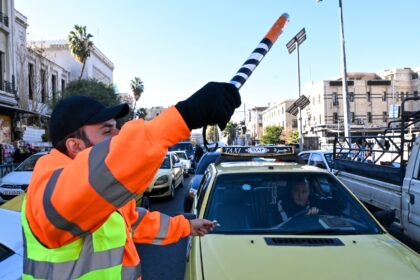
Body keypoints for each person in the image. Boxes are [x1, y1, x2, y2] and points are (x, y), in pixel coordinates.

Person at [22, 82, 241, 279]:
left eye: (117, 127)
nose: (118, 136)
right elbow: (108, 167)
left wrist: (186, 226)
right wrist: (184, 116)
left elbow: (134, 222)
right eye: (107, 131)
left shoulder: (99, 192)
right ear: (75, 146)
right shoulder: (48, 186)